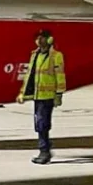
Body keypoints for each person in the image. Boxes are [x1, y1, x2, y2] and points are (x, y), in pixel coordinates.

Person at [16, 29, 66, 164]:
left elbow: (60, 76)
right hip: (38, 95)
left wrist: (59, 94)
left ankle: (44, 152)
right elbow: (30, 76)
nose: (38, 40)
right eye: (37, 38)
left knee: (42, 124)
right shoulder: (35, 55)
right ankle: (46, 147)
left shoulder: (56, 56)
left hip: (48, 96)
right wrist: (23, 93)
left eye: (42, 38)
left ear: (49, 39)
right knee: (39, 124)